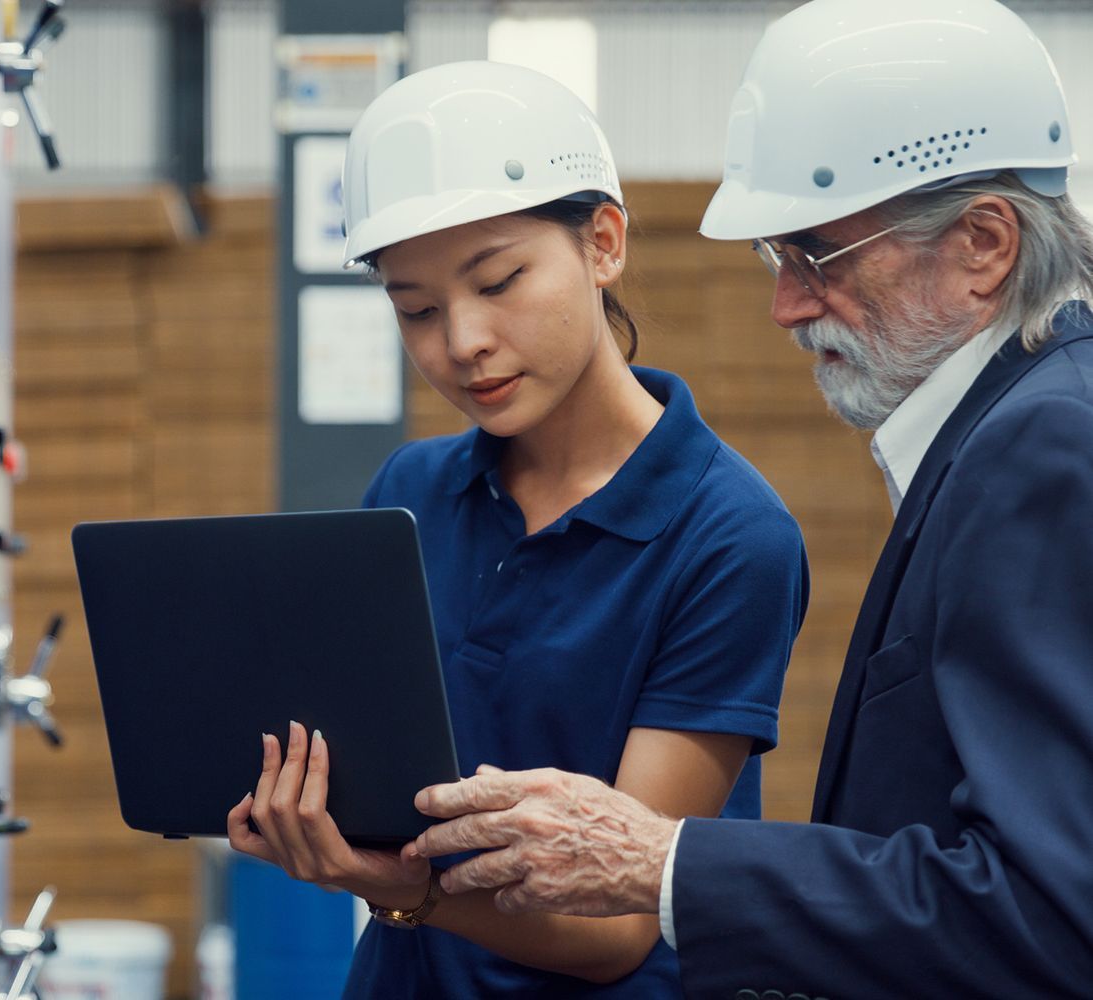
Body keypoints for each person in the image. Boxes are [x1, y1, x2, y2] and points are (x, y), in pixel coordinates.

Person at [410, 2, 1093, 997]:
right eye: (778, 262)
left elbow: (1051, 913)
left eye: (818, 255)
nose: (786, 305)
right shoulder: (1010, 431)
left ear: (984, 244)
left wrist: (663, 864)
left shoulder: (1046, 448)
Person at [224, 61, 808, 997]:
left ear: (604, 243)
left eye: (498, 282)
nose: (461, 341)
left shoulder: (729, 537)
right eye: (415, 309)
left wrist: (408, 891)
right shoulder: (409, 492)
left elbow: (621, 921)